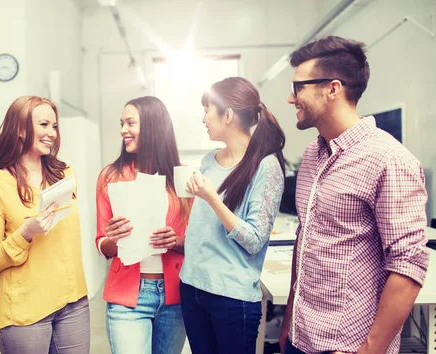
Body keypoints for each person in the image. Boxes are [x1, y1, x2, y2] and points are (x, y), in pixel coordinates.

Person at [280, 36, 430, 354]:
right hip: (300, 336)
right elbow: (305, 238)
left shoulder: (389, 159)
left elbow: (408, 264)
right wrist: (289, 317)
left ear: (333, 88)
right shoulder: (311, 155)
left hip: (348, 346)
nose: (290, 99)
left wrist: (369, 350)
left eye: (297, 88)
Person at [0, 96, 89, 354]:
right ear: (21, 129)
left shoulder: (65, 175)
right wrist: (25, 233)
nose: (52, 133)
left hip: (73, 301)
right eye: (44, 125)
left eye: (54, 126)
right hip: (24, 312)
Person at [179, 77, 286, 354]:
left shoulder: (266, 166)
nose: (203, 117)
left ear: (227, 115)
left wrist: (213, 199)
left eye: (207, 109)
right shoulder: (208, 160)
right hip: (192, 287)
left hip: (231, 298)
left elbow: (254, 240)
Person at [95, 96, 192, 354]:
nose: (123, 130)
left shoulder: (181, 175)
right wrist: (114, 239)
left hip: (175, 298)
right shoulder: (110, 176)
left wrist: (176, 241)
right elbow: (101, 244)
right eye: (121, 123)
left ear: (152, 126)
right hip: (128, 298)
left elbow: (197, 241)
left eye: (130, 123)